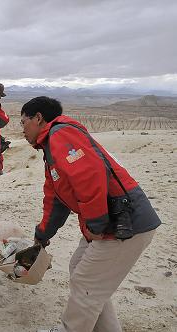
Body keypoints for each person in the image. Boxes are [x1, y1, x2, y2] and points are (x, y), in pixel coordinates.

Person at [19, 96, 161, 332]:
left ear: (38, 118)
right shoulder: (51, 147)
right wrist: (42, 235)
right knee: (80, 269)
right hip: (111, 222)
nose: (22, 129)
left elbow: (89, 175)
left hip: (125, 223)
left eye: (24, 122)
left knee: (87, 280)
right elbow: (56, 198)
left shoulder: (60, 135)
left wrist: (96, 224)